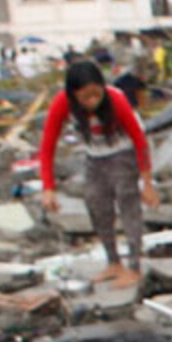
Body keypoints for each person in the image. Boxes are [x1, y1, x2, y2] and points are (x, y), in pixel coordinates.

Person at [38, 58, 159, 288]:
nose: (93, 101)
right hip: (94, 156)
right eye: (86, 97)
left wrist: (147, 182)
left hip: (125, 152)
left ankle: (134, 266)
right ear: (73, 95)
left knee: (127, 202)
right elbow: (47, 147)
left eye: (97, 94)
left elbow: (140, 141)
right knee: (96, 204)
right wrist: (48, 187)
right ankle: (113, 261)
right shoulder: (61, 104)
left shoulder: (117, 100)